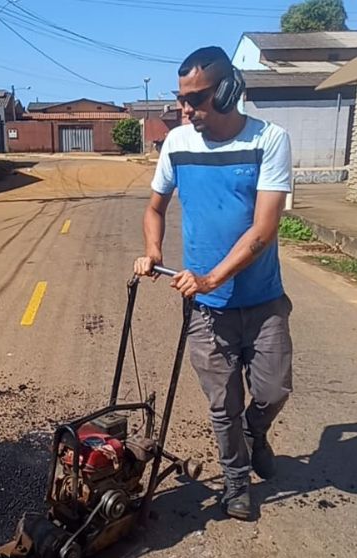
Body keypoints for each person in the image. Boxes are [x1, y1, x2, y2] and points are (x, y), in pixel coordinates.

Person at [134, 46, 294, 520]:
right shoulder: (178, 144)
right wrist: (155, 251)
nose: (186, 109)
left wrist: (210, 277)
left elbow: (264, 230)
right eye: (182, 98)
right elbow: (154, 208)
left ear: (228, 90)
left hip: (263, 301)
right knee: (222, 406)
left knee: (272, 392)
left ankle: (256, 432)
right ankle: (235, 482)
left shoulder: (269, 140)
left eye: (197, 98)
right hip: (207, 311)